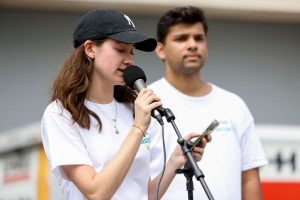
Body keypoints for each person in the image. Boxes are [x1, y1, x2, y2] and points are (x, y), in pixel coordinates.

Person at [40, 9, 210, 200]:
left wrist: (176, 159)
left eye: (131, 52)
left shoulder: (132, 108)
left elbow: (146, 195)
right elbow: (96, 192)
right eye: (120, 50)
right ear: (90, 49)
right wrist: (138, 128)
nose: (129, 60)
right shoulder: (61, 114)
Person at [149, 6, 268, 200]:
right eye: (181, 38)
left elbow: (249, 178)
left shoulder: (233, 105)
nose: (192, 45)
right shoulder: (146, 103)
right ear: (161, 50)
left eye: (199, 38)